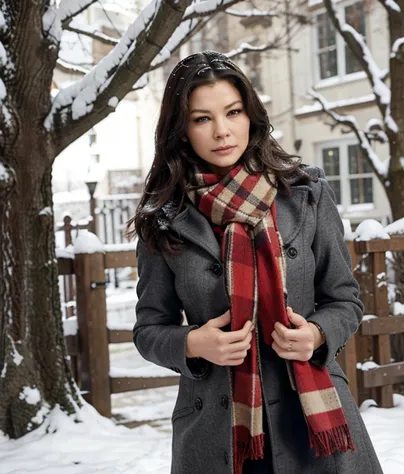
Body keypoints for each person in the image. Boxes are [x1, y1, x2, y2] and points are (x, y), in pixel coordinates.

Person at [130, 50, 383, 474]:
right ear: (181, 129)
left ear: (251, 114)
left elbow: (346, 299)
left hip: (311, 422)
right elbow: (148, 329)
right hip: (217, 429)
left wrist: (318, 334)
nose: (223, 131)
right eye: (202, 118)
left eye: (233, 111)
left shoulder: (305, 193)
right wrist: (194, 344)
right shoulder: (164, 218)